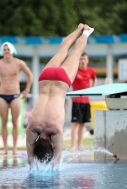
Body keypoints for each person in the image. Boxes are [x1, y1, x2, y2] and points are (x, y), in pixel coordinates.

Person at [26, 23, 94, 166]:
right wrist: (33, 159)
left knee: (76, 52)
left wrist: (52, 166)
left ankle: (85, 33)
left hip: (61, 82)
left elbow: (56, 160)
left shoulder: (55, 131)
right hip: (44, 79)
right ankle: (78, 28)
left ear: (51, 144)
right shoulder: (31, 129)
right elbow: (30, 156)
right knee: (62, 50)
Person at [0, 42, 33, 155]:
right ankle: (6, 148)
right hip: (2, 95)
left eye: (8, 49)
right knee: (3, 122)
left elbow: (30, 75)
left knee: (16, 122)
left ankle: (15, 148)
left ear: (12, 50)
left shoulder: (19, 63)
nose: (6, 51)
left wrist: (26, 90)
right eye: (4, 49)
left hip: (15, 95)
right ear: (2, 51)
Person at [70, 52, 97, 151]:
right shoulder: (75, 70)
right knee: (76, 123)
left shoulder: (91, 70)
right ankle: (73, 146)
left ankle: (80, 145)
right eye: (81, 59)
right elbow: (68, 80)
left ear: (87, 60)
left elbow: (94, 79)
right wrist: (70, 93)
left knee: (82, 124)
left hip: (86, 101)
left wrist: (92, 90)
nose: (82, 61)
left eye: (84, 59)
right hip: (76, 100)